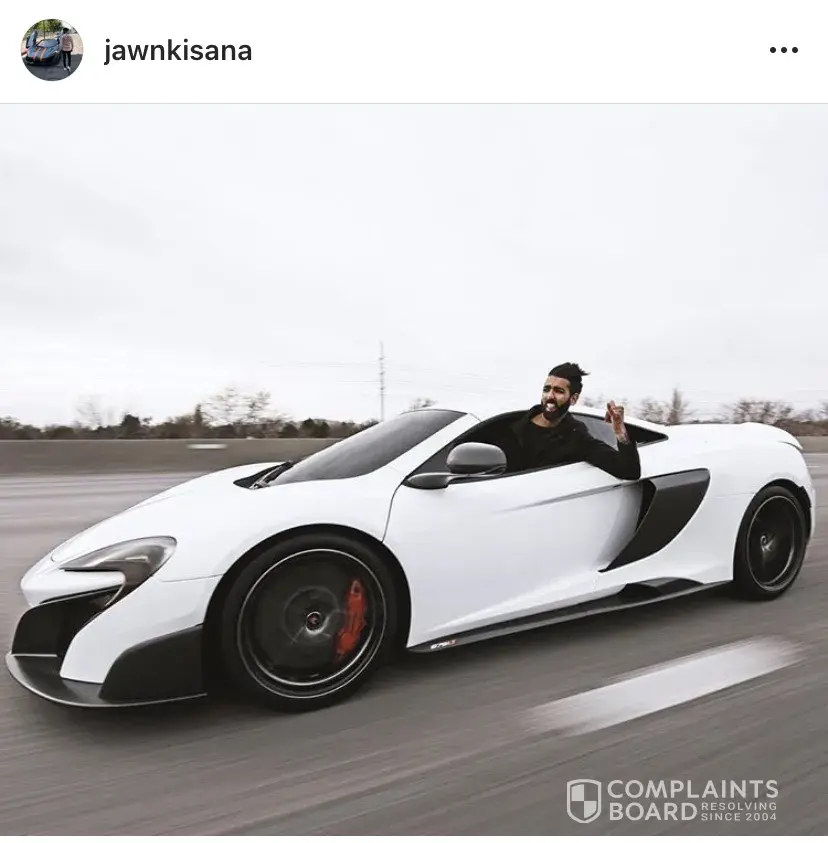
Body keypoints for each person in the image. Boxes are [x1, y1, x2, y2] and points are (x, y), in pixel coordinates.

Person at [493, 362, 641, 480]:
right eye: (546, 389)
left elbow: (629, 471)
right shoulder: (509, 425)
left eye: (558, 391)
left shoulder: (576, 438)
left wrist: (621, 435)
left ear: (573, 399)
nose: (550, 396)